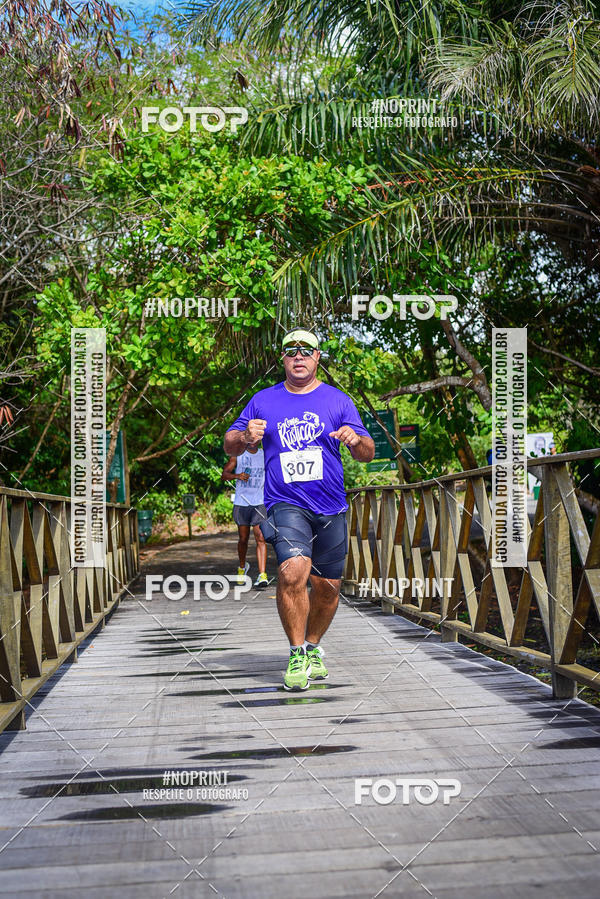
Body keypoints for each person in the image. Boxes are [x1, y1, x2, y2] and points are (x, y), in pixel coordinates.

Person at [224, 329, 375, 690]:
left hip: (331, 506)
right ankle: (295, 654)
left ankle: (312, 646)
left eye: (305, 351)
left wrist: (355, 441)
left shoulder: (338, 401)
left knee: (328, 588)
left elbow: (368, 452)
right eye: (291, 351)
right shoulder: (263, 400)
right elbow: (229, 444)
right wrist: (246, 437)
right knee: (293, 572)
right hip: (285, 503)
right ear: (283, 359)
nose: (298, 357)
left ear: (317, 357)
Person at [221, 443, 269, 588]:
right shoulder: (238, 455)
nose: (254, 440)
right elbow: (224, 475)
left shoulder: (265, 454)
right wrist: (237, 476)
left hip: (259, 502)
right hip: (242, 502)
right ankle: (242, 568)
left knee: (260, 537)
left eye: (257, 438)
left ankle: (262, 575)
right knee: (243, 539)